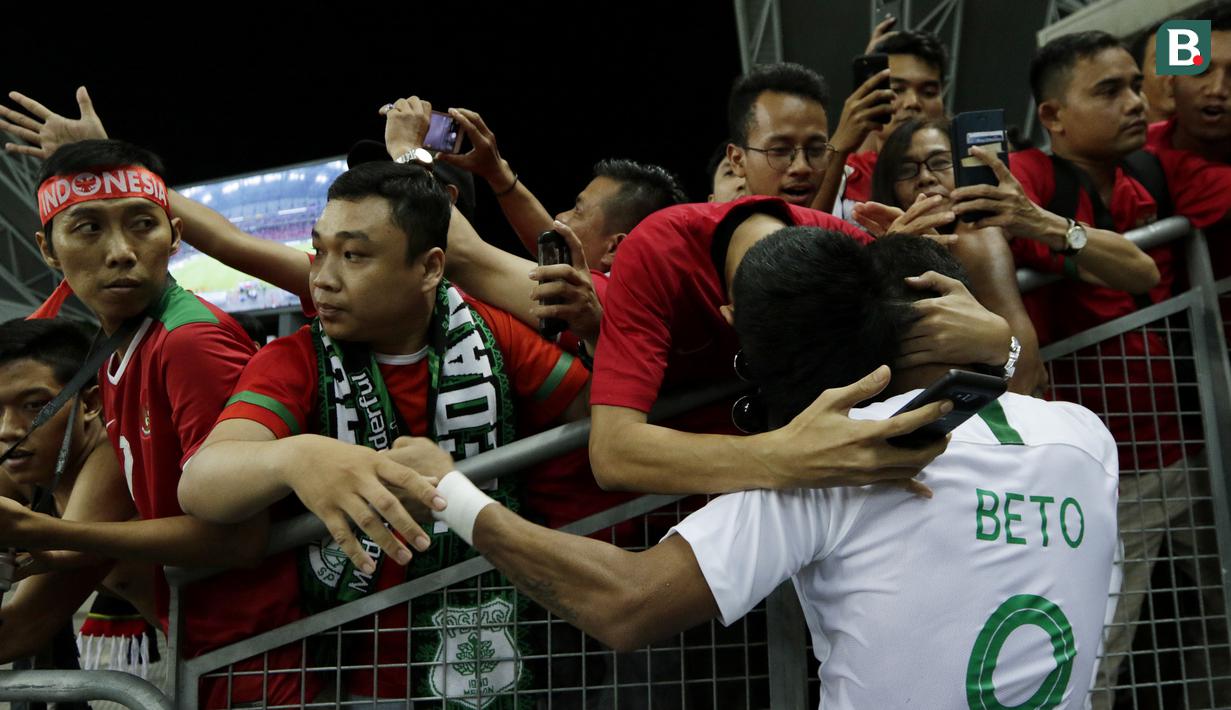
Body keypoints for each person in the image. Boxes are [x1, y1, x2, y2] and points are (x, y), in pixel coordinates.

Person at [394, 229, 1121, 710]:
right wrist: (1000, 345)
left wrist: (449, 492)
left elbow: (626, 602)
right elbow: (1016, 403)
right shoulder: (1085, 441)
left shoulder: (840, 459)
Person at [179, 158, 590, 703]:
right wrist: (296, 459)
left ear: (429, 267)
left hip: (506, 661)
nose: (322, 277)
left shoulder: (492, 333)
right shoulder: (294, 359)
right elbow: (200, 484)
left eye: (353, 255)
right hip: (355, 679)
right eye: (319, 249)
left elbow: (598, 414)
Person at [959, 30, 1231, 708]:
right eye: (1108, 91)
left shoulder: (1158, 167)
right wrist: (1014, 320)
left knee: (1219, 624)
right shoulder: (1028, 173)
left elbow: (1138, 266)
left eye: (1136, 86)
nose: (1134, 102)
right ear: (1051, 117)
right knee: (1092, 656)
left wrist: (1049, 230)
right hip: (1103, 469)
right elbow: (973, 225)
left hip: (1190, 450)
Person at [4, 138, 314, 708]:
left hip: (268, 658)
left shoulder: (189, 342)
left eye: (141, 224)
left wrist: (43, 534)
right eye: (88, 228)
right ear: (48, 250)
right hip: (217, 651)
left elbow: (241, 539)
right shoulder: (121, 343)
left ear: (174, 234)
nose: (121, 251)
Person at [0, 318, 158, 676]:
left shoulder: (115, 457)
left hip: (261, 665)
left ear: (90, 404)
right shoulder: (31, 458)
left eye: (34, 405)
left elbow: (21, 628)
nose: (8, 429)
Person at [857, 117, 1046, 395]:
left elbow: (1025, 365)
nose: (926, 177)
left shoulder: (978, 238)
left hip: (995, 419)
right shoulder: (885, 245)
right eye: (907, 170)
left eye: (940, 162)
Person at [816, 30, 950, 218]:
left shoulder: (971, 165)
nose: (912, 102)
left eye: (928, 92)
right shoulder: (845, 176)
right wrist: (840, 144)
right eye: (897, 90)